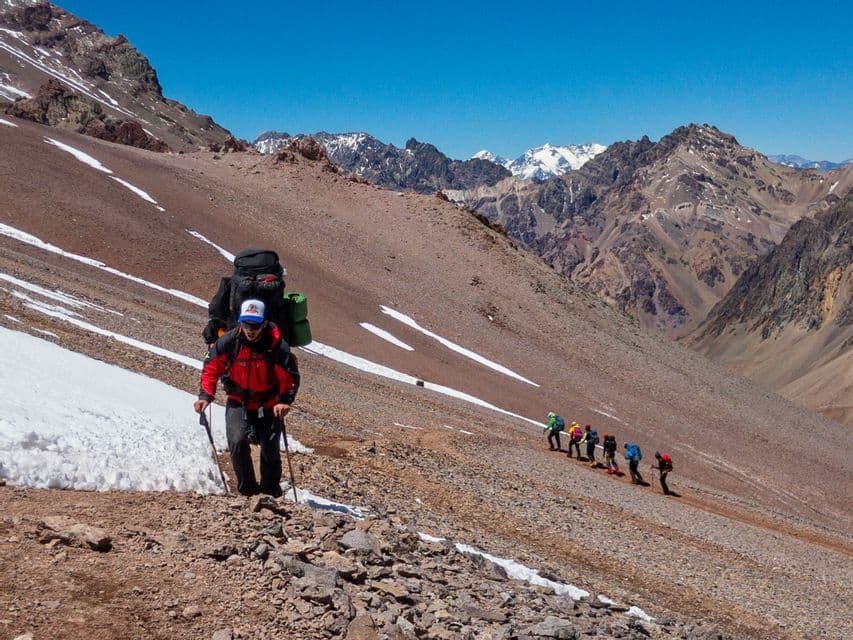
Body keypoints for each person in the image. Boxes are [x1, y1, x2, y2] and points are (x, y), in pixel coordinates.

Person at [194, 299, 300, 497]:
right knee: (237, 441)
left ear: (264, 323)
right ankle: (248, 492)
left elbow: (290, 376)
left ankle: (270, 493)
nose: (250, 329)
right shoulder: (229, 342)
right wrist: (205, 395)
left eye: (255, 325)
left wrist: (284, 400)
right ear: (240, 322)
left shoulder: (276, 346)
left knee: (270, 449)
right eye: (246, 324)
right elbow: (211, 368)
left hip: (269, 403)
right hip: (238, 400)